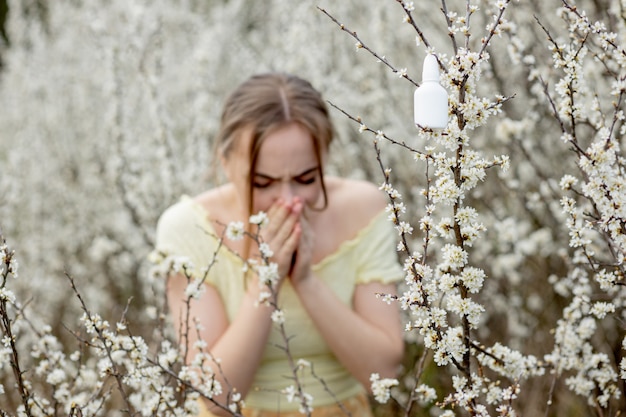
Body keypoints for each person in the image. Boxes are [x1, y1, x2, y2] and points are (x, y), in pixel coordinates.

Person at [155, 73, 404, 416]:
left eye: (305, 179)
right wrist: (265, 281)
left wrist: (305, 281)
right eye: (263, 182)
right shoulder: (187, 228)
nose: (287, 201)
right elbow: (216, 397)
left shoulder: (364, 209)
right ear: (226, 164)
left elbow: (383, 371)